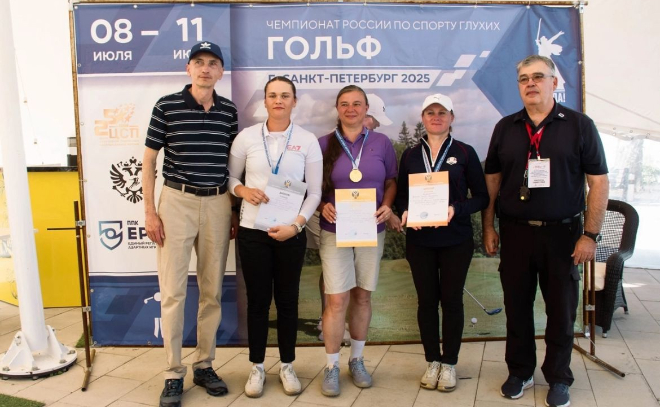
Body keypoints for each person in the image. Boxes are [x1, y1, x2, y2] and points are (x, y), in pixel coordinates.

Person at [482, 55, 609, 407]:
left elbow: (599, 182)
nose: (531, 83)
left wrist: (590, 235)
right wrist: (489, 225)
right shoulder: (505, 127)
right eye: (524, 79)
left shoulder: (579, 125)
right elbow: (492, 181)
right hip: (516, 233)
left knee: (562, 311)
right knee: (517, 308)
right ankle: (520, 372)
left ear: (554, 82)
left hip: (563, 236)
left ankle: (558, 377)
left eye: (538, 77)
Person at [143, 41, 238, 407]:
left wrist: (232, 210)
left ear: (221, 72)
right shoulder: (166, 106)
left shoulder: (228, 111)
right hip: (176, 202)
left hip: (217, 202)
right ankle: (173, 372)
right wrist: (150, 212)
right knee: (173, 291)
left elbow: (233, 166)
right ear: (188, 69)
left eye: (212, 63)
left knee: (212, 291)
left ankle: (204, 364)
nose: (205, 68)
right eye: (198, 62)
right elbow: (149, 161)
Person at [227, 76, 323, 398]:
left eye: (285, 95)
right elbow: (230, 178)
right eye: (272, 95)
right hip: (253, 231)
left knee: (287, 301)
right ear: (264, 101)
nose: (278, 101)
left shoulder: (307, 140)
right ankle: (256, 366)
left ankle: (287, 365)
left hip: (290, 233)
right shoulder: (246, 137)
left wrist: (297, 225)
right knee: (257, 302)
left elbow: (315, 192)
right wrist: (242, 191)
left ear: (294, 101)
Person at [396, 94, 488, 392]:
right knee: (426, 302)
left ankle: (449, 363)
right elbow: (400, 196)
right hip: (420, 240)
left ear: (451, 117)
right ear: (423, 117)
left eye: (442, 112)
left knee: (451, 301)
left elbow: (482, 198)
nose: (436, 117)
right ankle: (432, 361)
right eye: (430, 112)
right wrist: (404, 211)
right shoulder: (410, 155)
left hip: (456, 239)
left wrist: (455, 209)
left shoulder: (464, 152)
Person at [317, 85, 398, 397]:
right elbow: (313, 186)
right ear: (338, 109)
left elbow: (391, 181)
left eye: (357, 104)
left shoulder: (381, 142)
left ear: (366, 109)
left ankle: (357, 360)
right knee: (337, 300)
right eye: (344, 104)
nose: (351, 109)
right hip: (334, 229)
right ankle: (331, 366)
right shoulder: (323, 144)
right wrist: (322, 204)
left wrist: (388, 205)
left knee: (362, 296)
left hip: (370, 228)